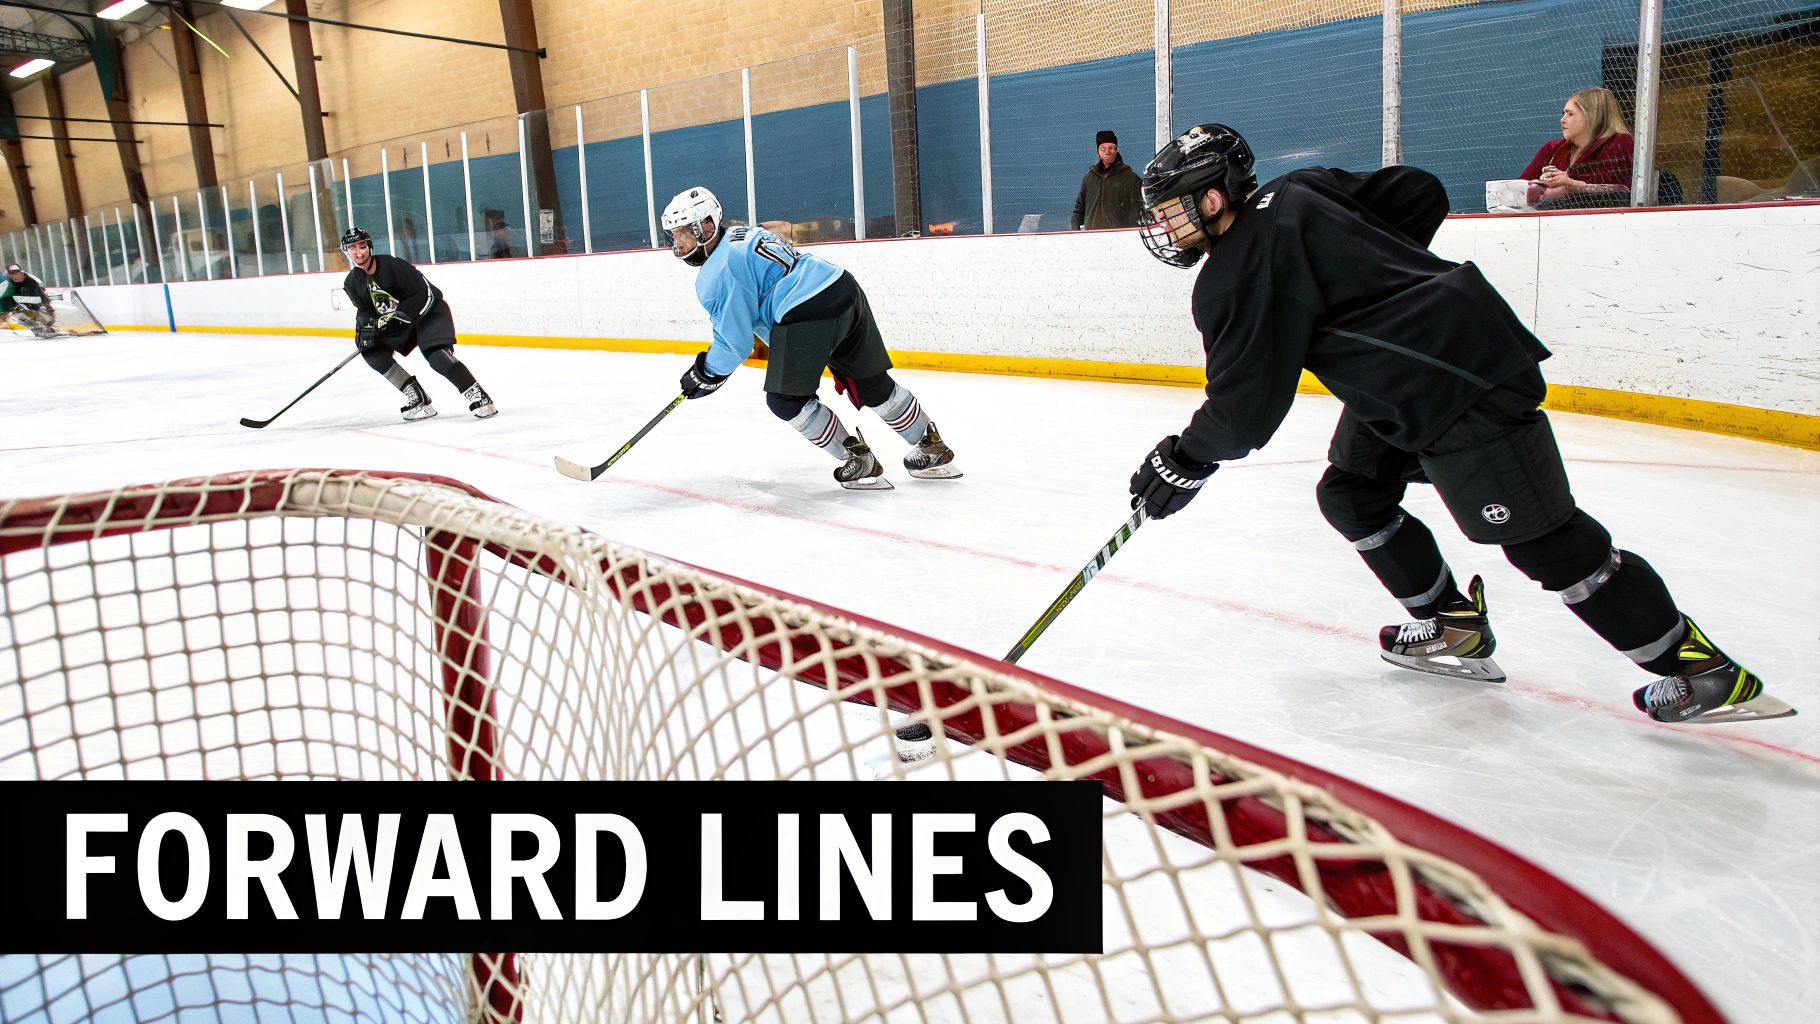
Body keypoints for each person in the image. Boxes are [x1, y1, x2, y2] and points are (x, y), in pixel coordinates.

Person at [1123, 122, 1795, 726]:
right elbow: (1421, 193)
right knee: (1352, 492)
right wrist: (1367, 283)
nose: (1164, 224)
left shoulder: (1236, 272)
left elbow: (1243, 415)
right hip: (1417, 373)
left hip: (1455, 378)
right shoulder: (1302, 190)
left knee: (1543, 541)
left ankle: (1699, 669)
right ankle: (1453, 627)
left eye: (1172, 208)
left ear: (1214, 198)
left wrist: (1184, 459)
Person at [660, 186, 960, 490]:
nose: (678, 244)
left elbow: (734, 344)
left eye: (683, 233)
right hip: (841, 286)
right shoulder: (742, 233)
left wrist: (706, 373)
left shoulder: (720, 270)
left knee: (785, 400)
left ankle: (859, 460)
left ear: (706, 227)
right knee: (871, 384)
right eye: (674, 235)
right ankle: (931, 446)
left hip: (805, 309)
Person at [338, 227, 497, 421]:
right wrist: (364, 332)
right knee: (371, 351)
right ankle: (418, 397)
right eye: (352, 248)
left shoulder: (393, 266)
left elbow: (425, 292)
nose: (358, 252)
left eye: (362, 246)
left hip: (428, 313)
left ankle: (479, 396)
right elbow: (365, 311)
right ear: (346, 251)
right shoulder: (352, 282)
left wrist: (401, 315)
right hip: (400, 324)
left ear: (369, 247)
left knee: (436, 354)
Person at [1519, 87, 1634, 208]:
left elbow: (1621, 192)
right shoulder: (1552, 148)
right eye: (1563, 113)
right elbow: (1521, 186)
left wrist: (1571, 184)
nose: (1562, 120)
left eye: (1570, 114)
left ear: (1591, 116)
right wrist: (1541, 183)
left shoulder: (1620, 143)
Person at [1071, 130, 1144, 230]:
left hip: (1120, 239)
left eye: (1111, 148)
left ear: (1116, 150)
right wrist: (1075, 234)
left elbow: (1142, 208)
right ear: (1098, 152)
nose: (1107, 152)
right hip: (1092, 238)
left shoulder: (1130, 178)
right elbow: (1078, 212)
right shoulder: (1089, 178)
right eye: (1103, 148)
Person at [1, 263, 56, 337]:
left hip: (30, 297)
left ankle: (46, 326)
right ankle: (37, 329)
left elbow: (42, 294)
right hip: (9, 299)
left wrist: (48, 307)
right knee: (19, 314)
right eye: (11, 275)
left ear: (21, 272)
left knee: (38, 313)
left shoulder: (32, 281)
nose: (14, 277)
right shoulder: (7, 283)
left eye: (16, 274)